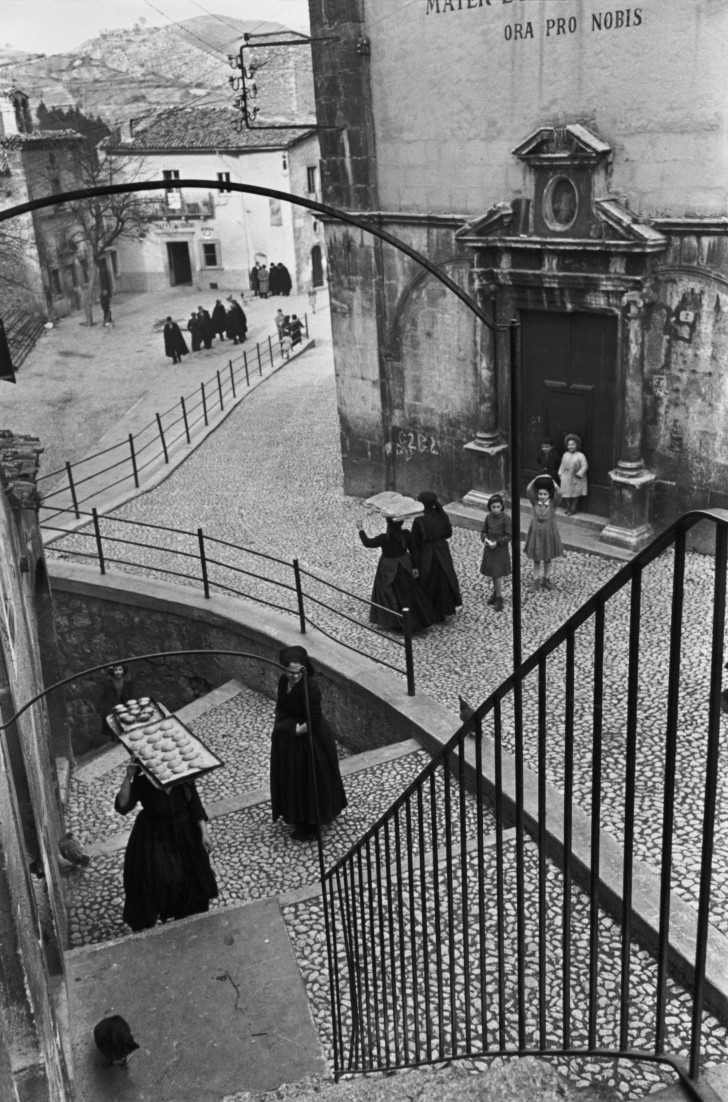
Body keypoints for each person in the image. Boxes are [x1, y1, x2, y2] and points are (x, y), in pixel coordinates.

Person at [115, 760, 218, 930]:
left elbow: (195, 806)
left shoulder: (182, 777)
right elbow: (123, 805)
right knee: (157, 877)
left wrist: (204, 833)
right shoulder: (143, 781)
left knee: (191, 876)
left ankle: (186, 915)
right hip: (154, 833)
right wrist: (128, 777)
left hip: (183, 830)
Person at [270, 645, 347, 842]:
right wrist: (285, 727)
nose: (294, 676)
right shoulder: (283, 682)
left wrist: (294, 730)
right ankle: (298, 815)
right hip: (293, 735)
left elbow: (314, 720)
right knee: (294, 778)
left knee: (309, 780)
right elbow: (281, 705)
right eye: (290, 672)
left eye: (299, 672)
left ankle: (311, 824)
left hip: (310, 739)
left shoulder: (310, 688)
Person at [358, 515, 441, 632]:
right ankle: (416, 620)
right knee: (410, 593)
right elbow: (413, 551)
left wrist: (361, 530)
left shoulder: (384, 538)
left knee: (390, 593)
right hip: (404, 567)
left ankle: (396, 622)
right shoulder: (406, 535)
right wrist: (415, 567)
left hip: (389, 570)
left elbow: (368, 543)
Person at [410, 490, 462, 618]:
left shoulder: (419, 520)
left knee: (429, 580)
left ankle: (430, 610)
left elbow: (414, 542)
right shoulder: (441, 515)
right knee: (443, 579)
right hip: (442, 551)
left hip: (427, 553)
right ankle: (445, 609)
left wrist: (414, 563)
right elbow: (448, 533)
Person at [524, 475, 563, 591]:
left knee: (547, 556)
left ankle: (546, 579)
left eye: (545, 494)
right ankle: (536, 580)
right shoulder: (534, 502)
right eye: (540, 494)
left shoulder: (553, 504)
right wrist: (537, 478)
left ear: (549, 495)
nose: (542, 497)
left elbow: (559, 493)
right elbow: (529, 489)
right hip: (536, 532)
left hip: (548, 532)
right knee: (536, 557)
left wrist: (552, 481)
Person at [479, 493, 511, 612]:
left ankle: (499, 597)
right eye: (493, 507)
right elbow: (483, 531)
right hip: (490, 549)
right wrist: (486, 539)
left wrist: (497, 542)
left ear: (502, 507)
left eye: (498, 507)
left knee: (497, 574)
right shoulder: (488, 517)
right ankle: (496, 593)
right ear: (490, 507)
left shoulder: (506, 518)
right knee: (493, 573)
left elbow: (509, 535)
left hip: (500, 549)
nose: (496, 509)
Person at [99, 663, 138, 737]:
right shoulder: (108, 681)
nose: (118, 672)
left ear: (123, 670)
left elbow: (132, 693)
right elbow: (102, 694)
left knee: (127, 720)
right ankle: (115, 737)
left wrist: (133, 703)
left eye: (120, 670)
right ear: (113, 671)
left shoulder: (127, 680)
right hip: (111, 704)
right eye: (116, 670)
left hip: (125, 702)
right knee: (113, 722)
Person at [558, 433, 588, 516]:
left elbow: (585, 466)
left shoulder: (580, 455)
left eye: (573, 444)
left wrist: (579, 473)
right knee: (566, 493)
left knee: (575, 493)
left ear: (577, 445)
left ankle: (573, 509)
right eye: (569, 445)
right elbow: (562, 465)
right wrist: (560, 474)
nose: (570, 446)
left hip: (576, 477)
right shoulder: (565, 454)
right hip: (566, 477)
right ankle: (568, 507)